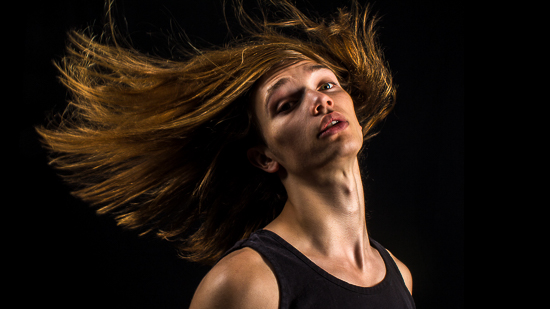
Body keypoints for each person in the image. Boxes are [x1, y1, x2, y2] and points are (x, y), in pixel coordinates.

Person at [38, 0, 414, 307]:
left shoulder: (400, 276)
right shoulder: (248, 283)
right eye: (286, 104)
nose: (320, 100)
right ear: (265, 157)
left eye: (327, 84)